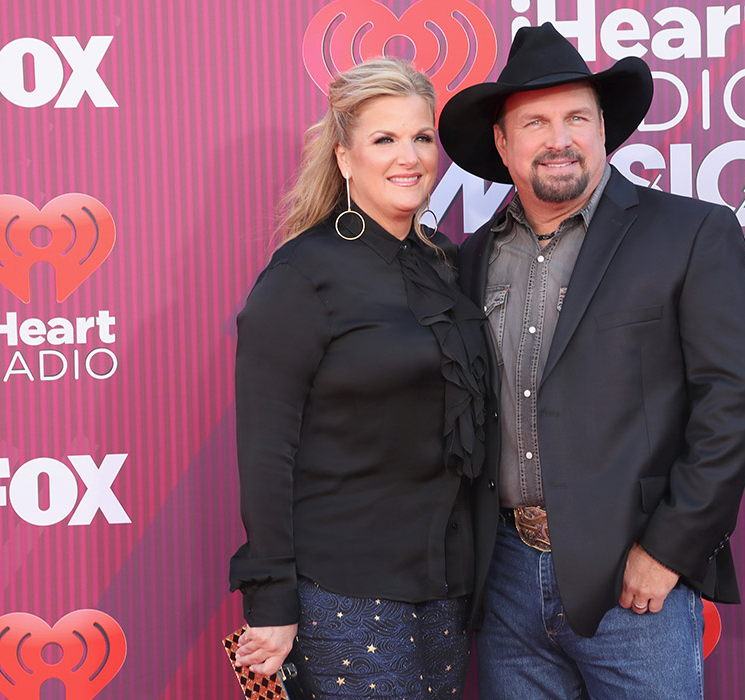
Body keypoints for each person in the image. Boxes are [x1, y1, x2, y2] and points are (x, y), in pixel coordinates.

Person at [438, 23, 745, 699]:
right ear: (503, 144)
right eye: (534, 121)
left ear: (603, 131)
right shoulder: (471, 259)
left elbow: (736, 399)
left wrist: (669, 549)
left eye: (576, 118)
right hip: (504, 580)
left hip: (634, 580)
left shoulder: (690, 233)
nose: (558, 139)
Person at [228, 57, 489, 700]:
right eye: (384, 139)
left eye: (422, 136)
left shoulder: (446, 264)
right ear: (345, 158)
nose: (411, 156)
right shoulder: (302, 276)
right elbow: (266, 452)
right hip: (344, 594)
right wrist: (271, 598)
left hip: (446, 590)